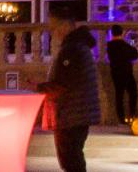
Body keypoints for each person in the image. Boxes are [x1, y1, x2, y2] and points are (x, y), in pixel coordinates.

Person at [39, 26, 100, 172]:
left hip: (70, 114)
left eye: (54, 25)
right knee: (73, 158)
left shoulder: (71, 50)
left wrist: (39, 87)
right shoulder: (81, 48)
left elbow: (63, 84)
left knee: (71, 160)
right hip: (78, 113)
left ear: (62, 27)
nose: (53, 31)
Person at [105, 25, 138, 121]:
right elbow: (135, 55)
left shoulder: (110, 46)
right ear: (122, 32)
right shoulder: (124, 45)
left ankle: (121, 117)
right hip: (126, 72)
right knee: (133, 93)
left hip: (115, 72)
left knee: (119, 94)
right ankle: (132, 114)